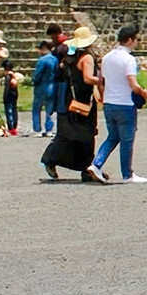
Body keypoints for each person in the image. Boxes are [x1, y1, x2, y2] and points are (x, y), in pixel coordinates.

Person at [40, 26, 104, 182]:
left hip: (70, 100)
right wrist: (103, 79)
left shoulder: (70, 57)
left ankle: (56, 160)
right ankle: (86, 168)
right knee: (87, 136)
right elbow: (88, 78)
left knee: (67, 134)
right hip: (83, 101)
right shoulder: (87, 58)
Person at [89, 24, 147, 184]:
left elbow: (101, 81)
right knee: (127, 140)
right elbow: (132, 83)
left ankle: (96, 164)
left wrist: (103, 98)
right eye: (135, 39)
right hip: (125, 103)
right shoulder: (128, 59)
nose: (136, 42)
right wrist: (143, 92)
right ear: (129, 40)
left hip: (109, 102)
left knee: (112, 136)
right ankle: (127, 174)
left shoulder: (107, 57)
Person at [29, 40, 58, 138]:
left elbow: (37, 74)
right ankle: (49, 129)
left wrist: (33, 81)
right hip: (52, 85)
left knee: (36, 109)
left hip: (42, 86)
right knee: (49, 109)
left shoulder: (41, 60)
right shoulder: (55, 59)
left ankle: (37, 129)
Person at [0, 58, 21, 136]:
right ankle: (15, 126)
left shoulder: (8, 76)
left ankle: (11, 127)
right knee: (14, 109)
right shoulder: (14, 75)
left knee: (9, 111)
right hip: (14, 94)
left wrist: (4, 96)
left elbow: (7, 87)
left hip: (8, 94)